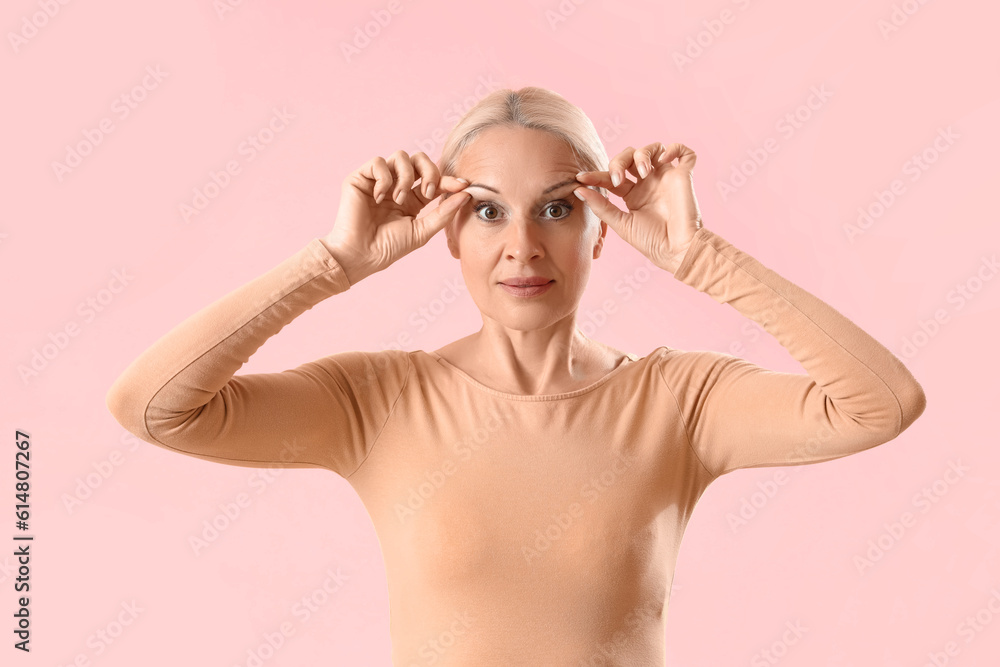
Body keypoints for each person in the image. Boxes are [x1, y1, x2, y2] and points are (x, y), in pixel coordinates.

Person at [106, 87, 927, 666]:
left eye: (559, 207)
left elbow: (881, 404)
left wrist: (699, 255)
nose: (523, 247)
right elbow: (154, 407)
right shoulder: (379, 403)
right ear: (446, 231)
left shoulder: (680, 402)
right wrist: (335, 263)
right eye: (490, 210)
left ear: (603, 229)